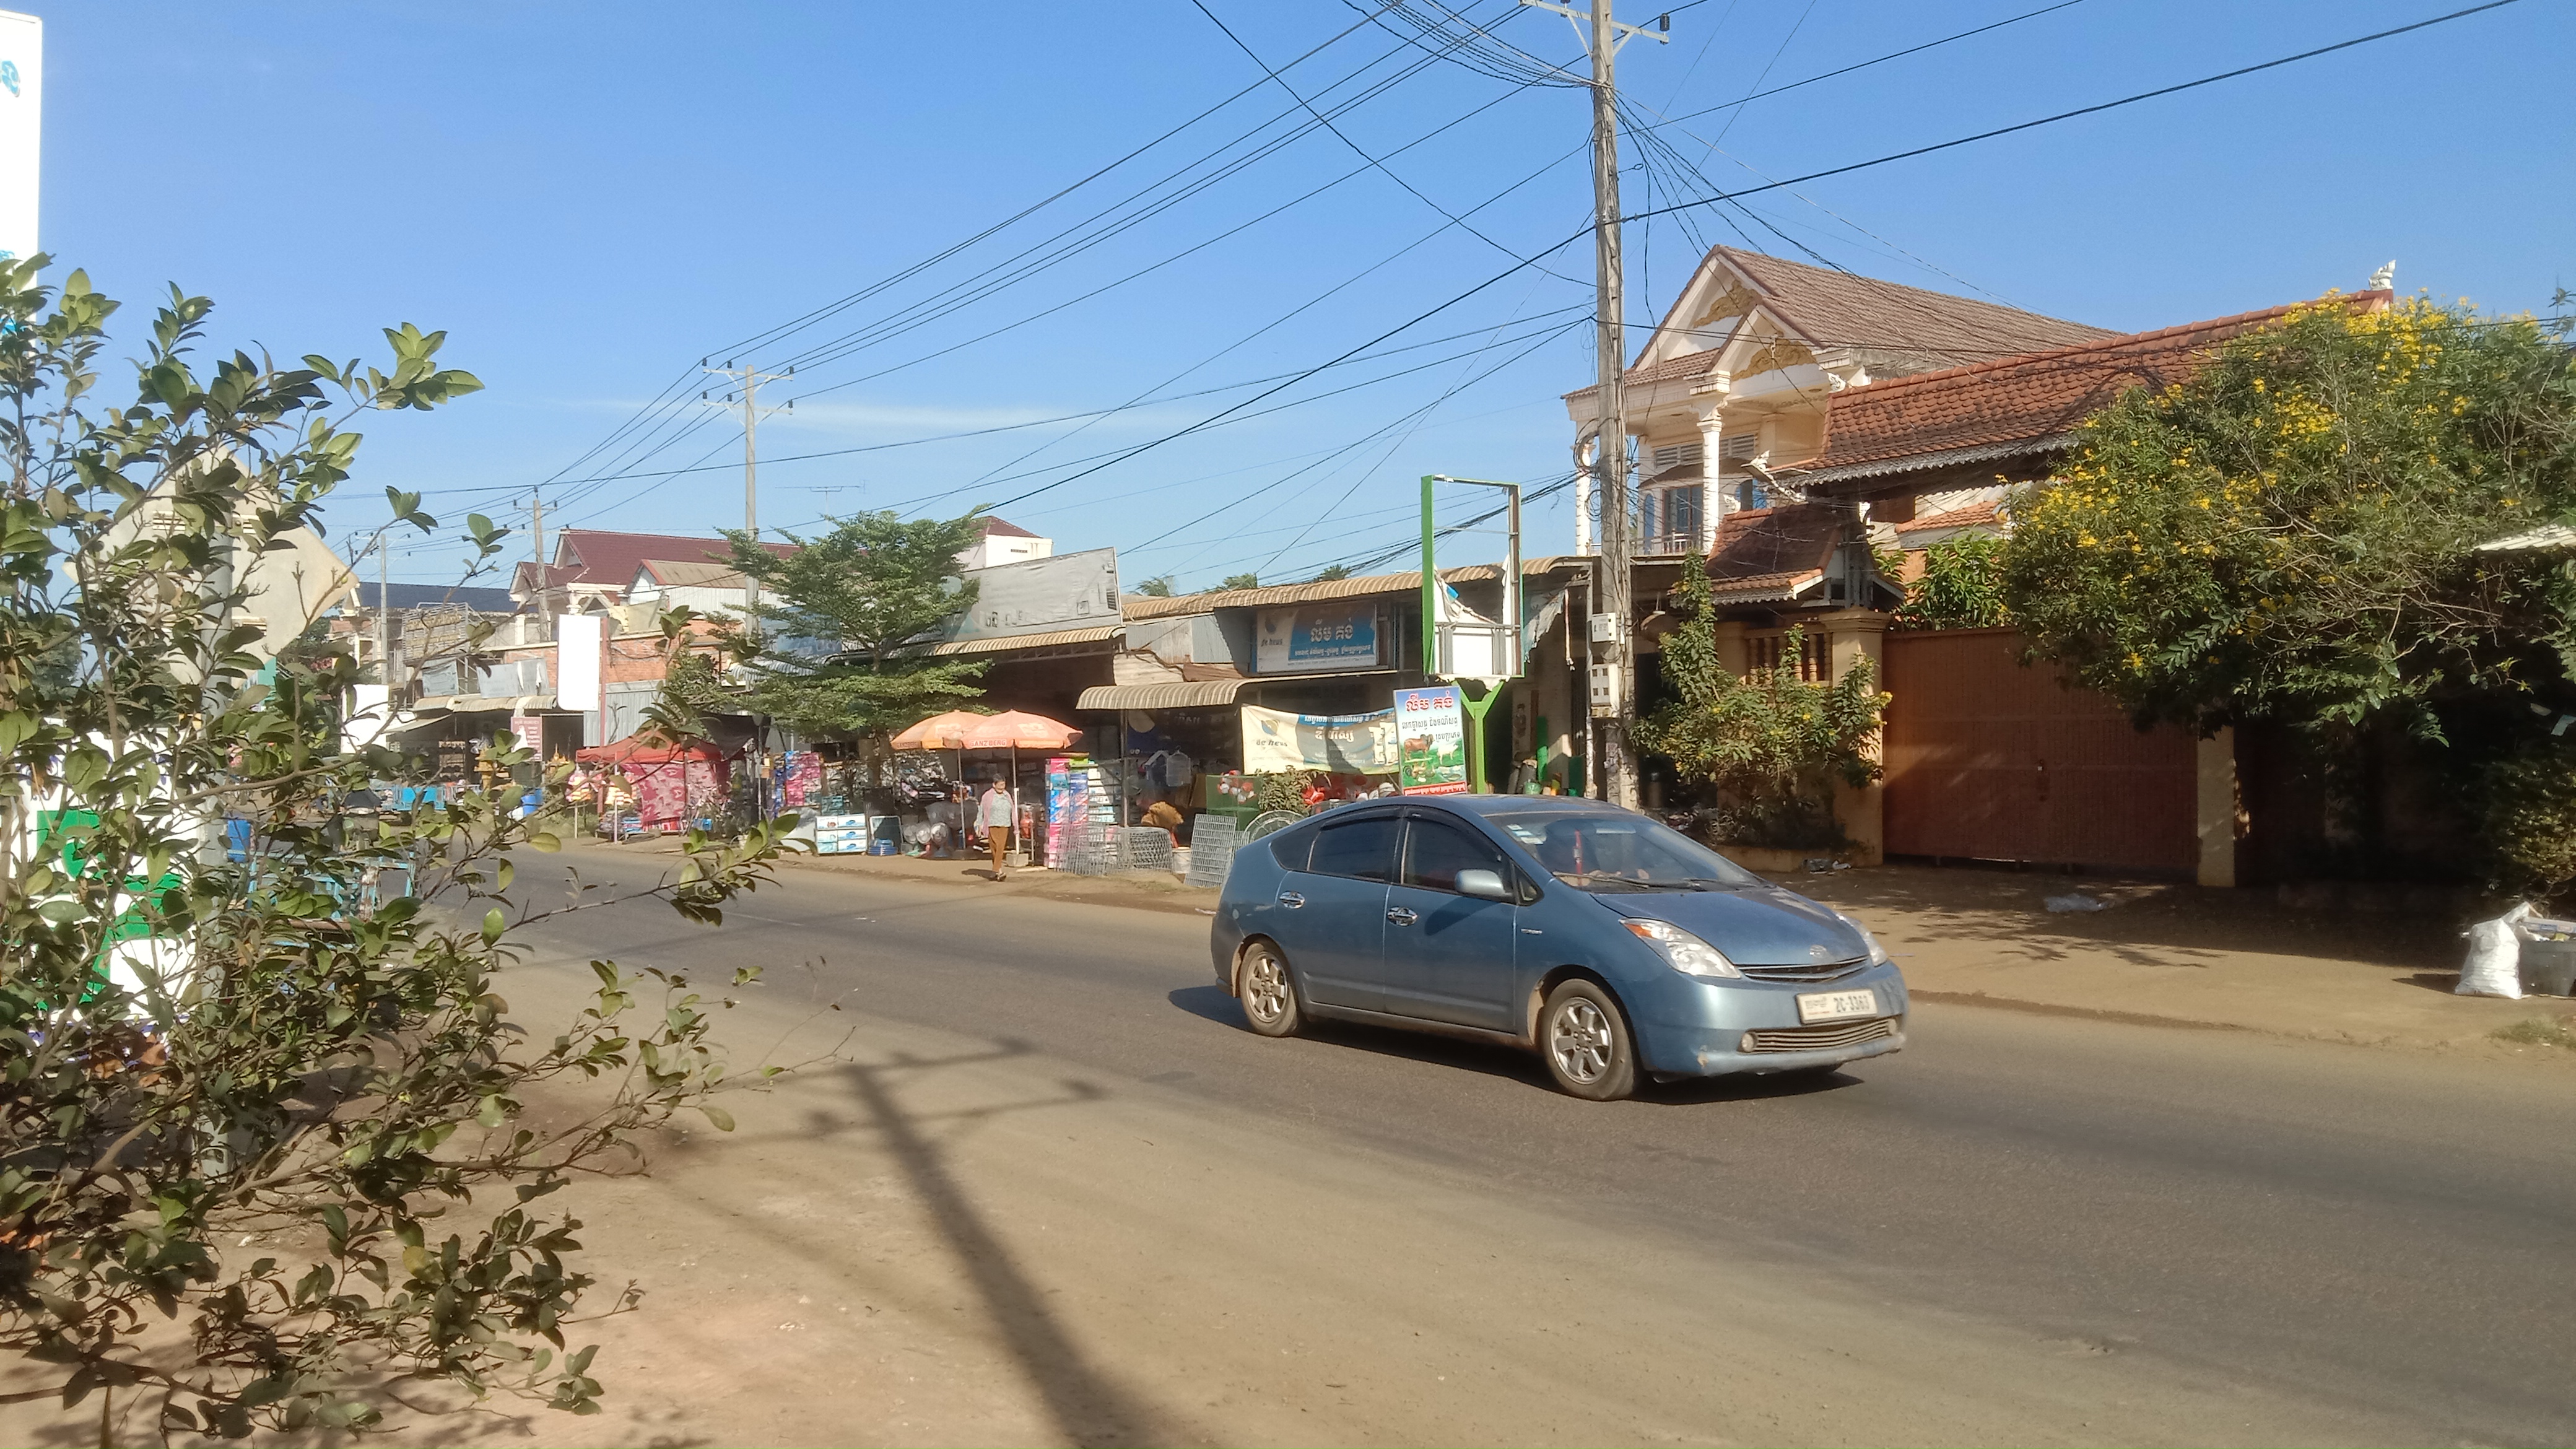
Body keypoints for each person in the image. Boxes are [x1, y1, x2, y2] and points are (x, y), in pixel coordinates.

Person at [977, 776, 1016, 881]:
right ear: (994, 785)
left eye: (1004, 785)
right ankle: (999, 872)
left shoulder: (1007, 795)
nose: (1002, 787)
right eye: (1000, 785)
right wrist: (979, 823)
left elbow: (1013, 810)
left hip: (1005, 824)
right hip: (992, 824)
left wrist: (1015, 825)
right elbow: (981, 810)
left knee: (1000, 847)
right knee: (994, 848)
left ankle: (995, 870)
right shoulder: (987, 796)